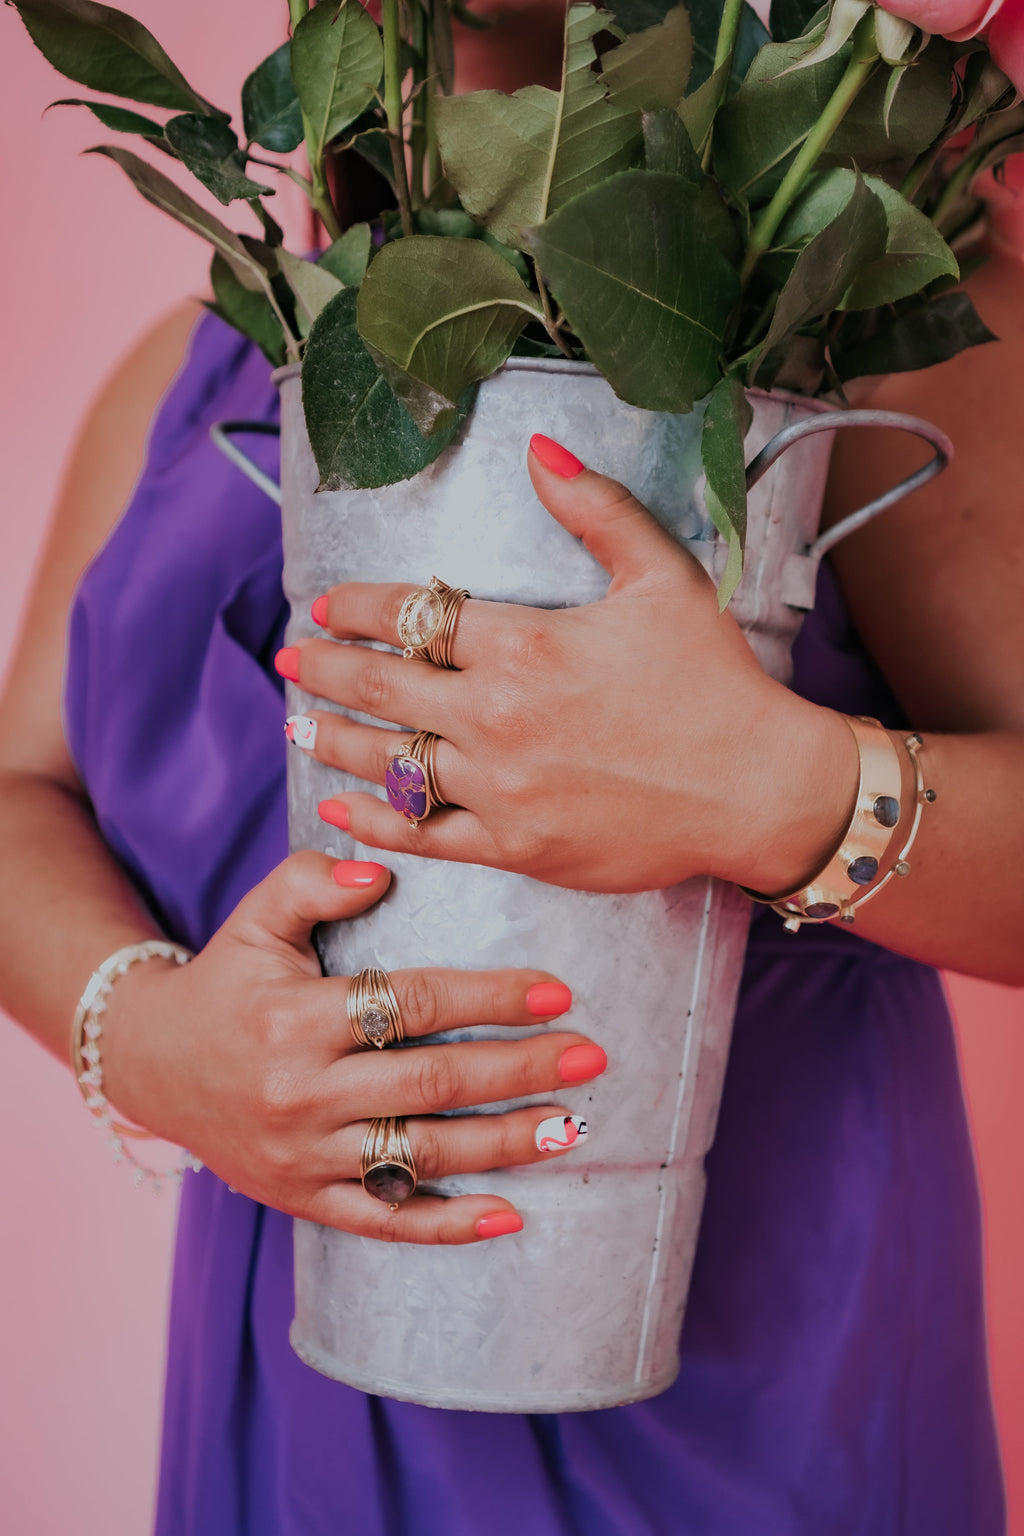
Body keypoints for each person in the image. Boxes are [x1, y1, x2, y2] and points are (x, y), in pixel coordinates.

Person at [3, 8, 1023, 1535]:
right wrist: (149, 1044)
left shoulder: (873, 337)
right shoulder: (215, 358)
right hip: (293, 1355)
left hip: (742, 1408)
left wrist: (773, 785)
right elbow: (22, 792)